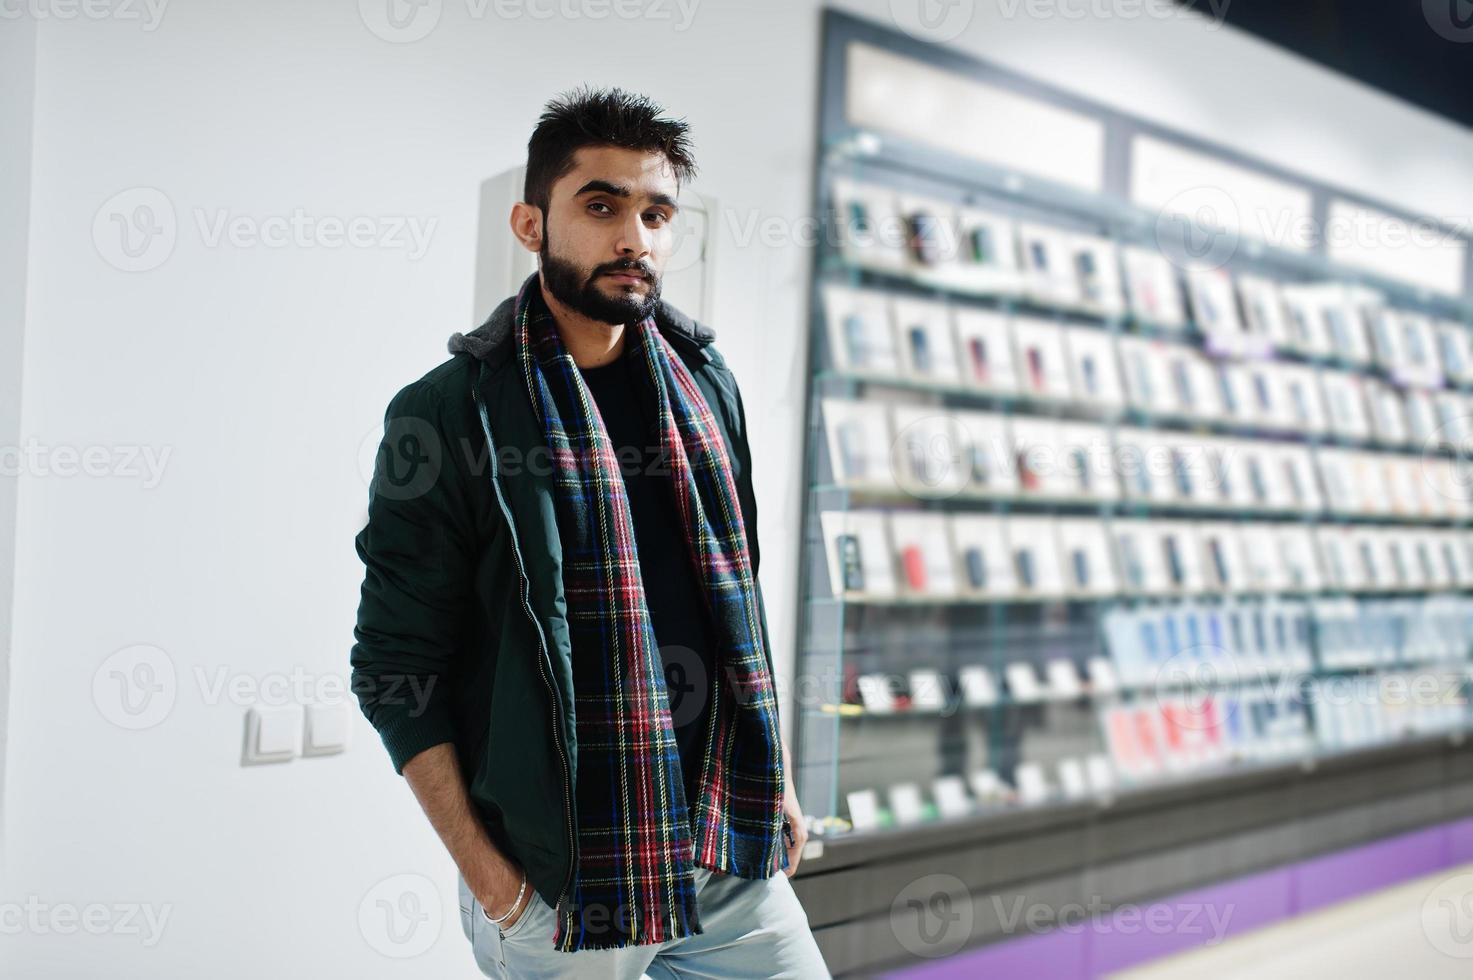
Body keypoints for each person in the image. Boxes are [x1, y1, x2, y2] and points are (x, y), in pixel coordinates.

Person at [350, 85, 831, 979]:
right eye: (601, 204)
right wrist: (494, 884)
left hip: (722, 844)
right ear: (531, 224)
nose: (634, 238)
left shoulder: (704, 383)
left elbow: (738, 598)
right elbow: (391, 665)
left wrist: (782, 783)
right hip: (562, 880)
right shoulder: (449, 411)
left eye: (656, 213)